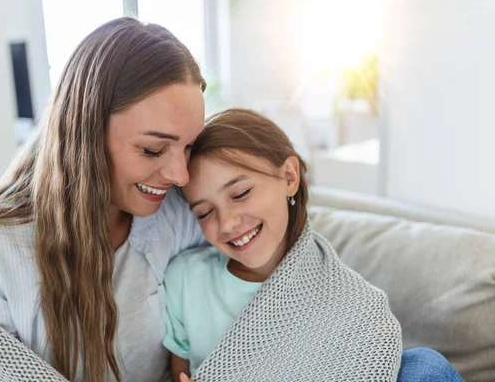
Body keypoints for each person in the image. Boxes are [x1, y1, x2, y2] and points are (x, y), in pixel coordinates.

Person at [0, 17, 207, 382]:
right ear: (86, 132)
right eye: (153, 150)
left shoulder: (179, 215)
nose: (180, 175)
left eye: (189, 146)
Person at [163, 109, 464, 382]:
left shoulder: (348, 302)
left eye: (240, 193)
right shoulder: (185, 280)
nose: (227, 223)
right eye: (204, 212)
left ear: (290, 177)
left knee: (424, 367)